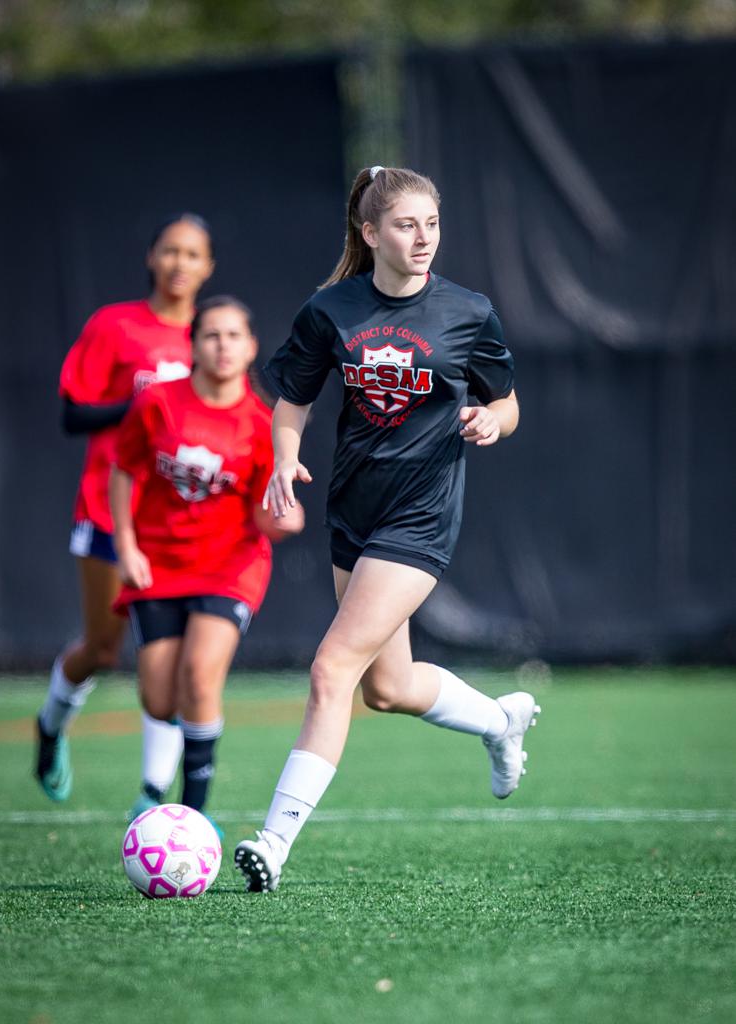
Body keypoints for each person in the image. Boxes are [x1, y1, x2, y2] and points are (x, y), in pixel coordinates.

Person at [234, 165, 540, 893]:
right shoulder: (331, 310)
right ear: (370, 234)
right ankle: (500, 724)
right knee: (387, 687)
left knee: (330, 668)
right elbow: (292, 403)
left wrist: (490, 420)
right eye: (406, 224)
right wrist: (283, 460)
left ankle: (273, 844)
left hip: (421, 515)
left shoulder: (468, 311)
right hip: (353, 510)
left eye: (432, 223)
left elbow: (510, 403)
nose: (423, 237)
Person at [35, 214, 215, 816]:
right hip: (108, 508)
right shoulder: (115, 326)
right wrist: (141, 407)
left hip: (175, 523)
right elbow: (71, 416)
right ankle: (51, 725)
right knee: (103, 648)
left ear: (207, 267)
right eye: (170, 251)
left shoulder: (212, 336)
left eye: (192, 254)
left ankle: (153, 796)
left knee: (171, 657)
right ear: (152, 257)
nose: (179, 263)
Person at [109, 296, 304, 825]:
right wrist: (125, 548)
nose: (223, 346)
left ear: (252, 346)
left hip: (229, 565)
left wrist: (284, 518)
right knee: (158, 695)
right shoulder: (158, 403)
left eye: (234, 336)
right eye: (212, 335)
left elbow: (269, 513)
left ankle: (190, 815)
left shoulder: (263, 422)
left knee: (199, 676)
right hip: (158, 561)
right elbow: (123, 470)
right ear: (193, 345)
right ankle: (157, 783)